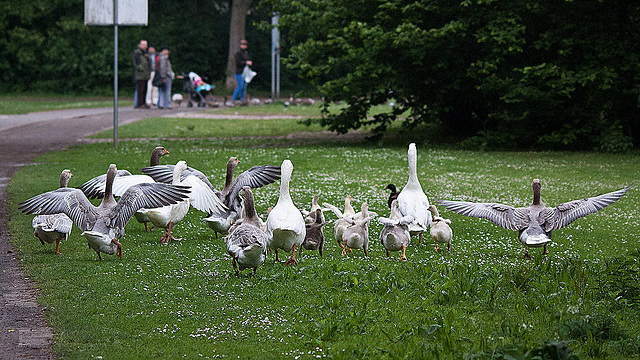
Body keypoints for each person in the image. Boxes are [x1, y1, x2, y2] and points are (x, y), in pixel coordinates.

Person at [132, 40, 151, 108]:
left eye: (146, 45)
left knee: (145, 89)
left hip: (146, 74)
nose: (145, 46)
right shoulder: (137, 53)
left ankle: (144, 102)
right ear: (140, 45)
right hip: (140, 75)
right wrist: (141, 68)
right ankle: (139, 103)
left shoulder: (146, 53)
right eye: (143, 45)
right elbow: (136, 64)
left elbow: (149, 62)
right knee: (140, 89)